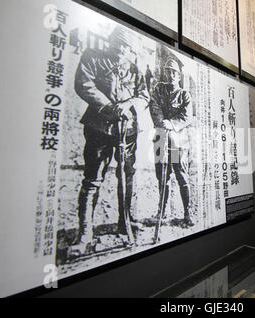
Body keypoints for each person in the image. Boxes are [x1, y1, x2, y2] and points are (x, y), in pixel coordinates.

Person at [69, 26, 149, 256]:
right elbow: (83, 83)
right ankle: (84, 233)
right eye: (119, 44)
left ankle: (124, 223)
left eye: (127, 47)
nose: (122, 50)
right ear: (110, 42)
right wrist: (109, 106)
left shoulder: (135, 69)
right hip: (99, 127)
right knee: (92, 179)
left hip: (128, 129)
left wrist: (128, 104)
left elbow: (144, 95)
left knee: (126, 175)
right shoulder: (93, 57)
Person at [149, 58, 194, 227]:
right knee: (162, 177)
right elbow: (154, 107)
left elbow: (187, 116)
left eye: (174, 72)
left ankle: (187, 213)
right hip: (161, 137)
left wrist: (172, 124)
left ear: (179, 75)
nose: (171, 75)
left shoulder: (184, 95)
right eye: (168, 71)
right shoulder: (159, 89)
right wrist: (162, 123)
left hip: (179, 141)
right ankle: (162, 211)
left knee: (182, 176)